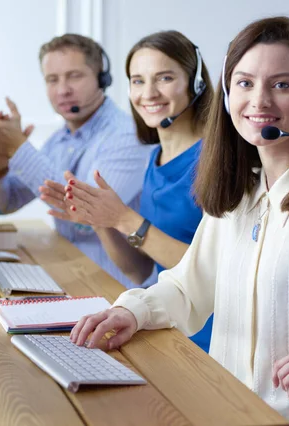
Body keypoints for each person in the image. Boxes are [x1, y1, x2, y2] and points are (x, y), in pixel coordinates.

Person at [69, 16, 289, 425]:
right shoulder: (240, 198)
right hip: (225, 411)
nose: (259, 101)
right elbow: (189, 286)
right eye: (245, 83)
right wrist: (133, 312)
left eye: (282, 84)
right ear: (226, 94)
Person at [39, 31, 215, 353]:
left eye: (164, 78)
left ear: (195, 83)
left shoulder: (215, 162)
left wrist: (123, 217)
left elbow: (210, 271)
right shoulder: (154, 158)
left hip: (207, 339)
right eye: (137, 81)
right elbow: (141, 269)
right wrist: (100, 221)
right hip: (163, 324)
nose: (148, 93)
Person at [0, 34, 153, 289]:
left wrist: (17, 147)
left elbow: (88, 218)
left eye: (74, 76)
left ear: (102, 79)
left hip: (119, 290)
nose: (62, 90)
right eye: (52, 79)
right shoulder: (58, 141)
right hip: (74, 277)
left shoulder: (127, 134)